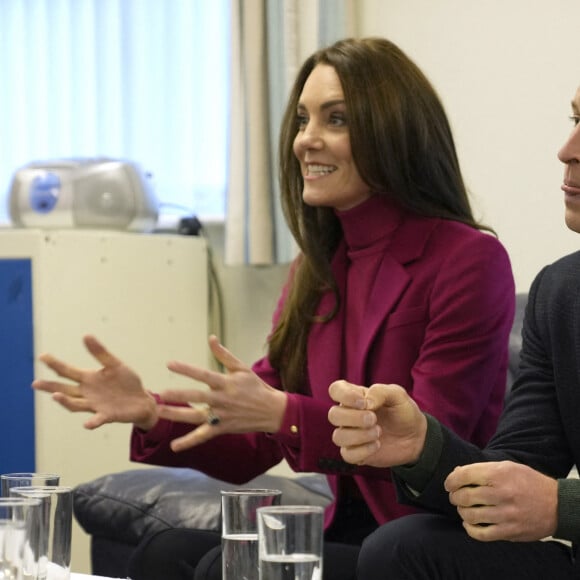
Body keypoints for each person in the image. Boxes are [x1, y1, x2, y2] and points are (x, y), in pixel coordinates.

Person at [32, 37, 515, 580]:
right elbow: (256, 432)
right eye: (303, 120)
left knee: (225, 566)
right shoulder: (316, 268)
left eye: (336, 120)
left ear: (393, 129)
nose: (305, 140)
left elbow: (426, 438)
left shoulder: (468, 258)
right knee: (163, 553)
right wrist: (150, 409)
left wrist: (285, 413)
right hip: (346, 533)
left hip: (423, 539)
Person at [327, 85, 580, 579]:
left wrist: (562, 506)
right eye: (573, 120)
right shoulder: (561, 292)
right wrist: (423, 445)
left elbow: (548, 498)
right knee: (403, 548)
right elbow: (515, 468)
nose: (567, 150)